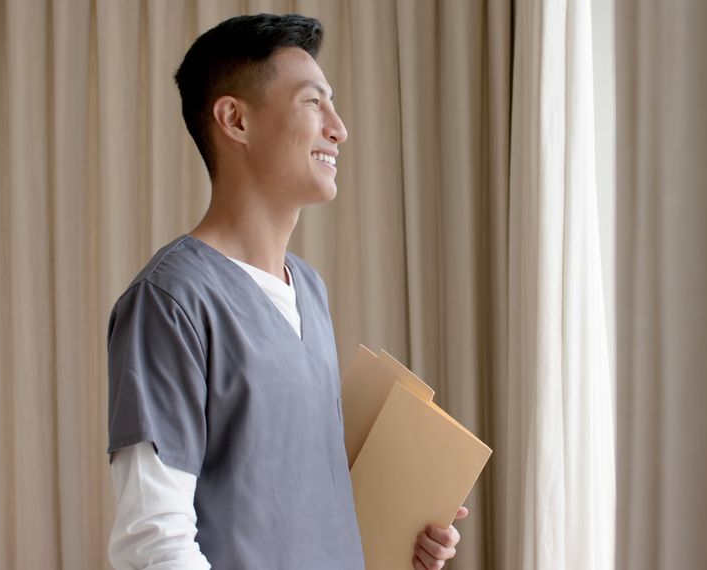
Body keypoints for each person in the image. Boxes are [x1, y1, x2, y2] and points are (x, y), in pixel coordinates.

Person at [106, 13, 466, 569]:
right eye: (312, 102)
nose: (339, 128)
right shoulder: (172, 301)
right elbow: (153, 540)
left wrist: (398, 539)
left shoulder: (310, 292)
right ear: (236, 120)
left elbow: (296, 510)